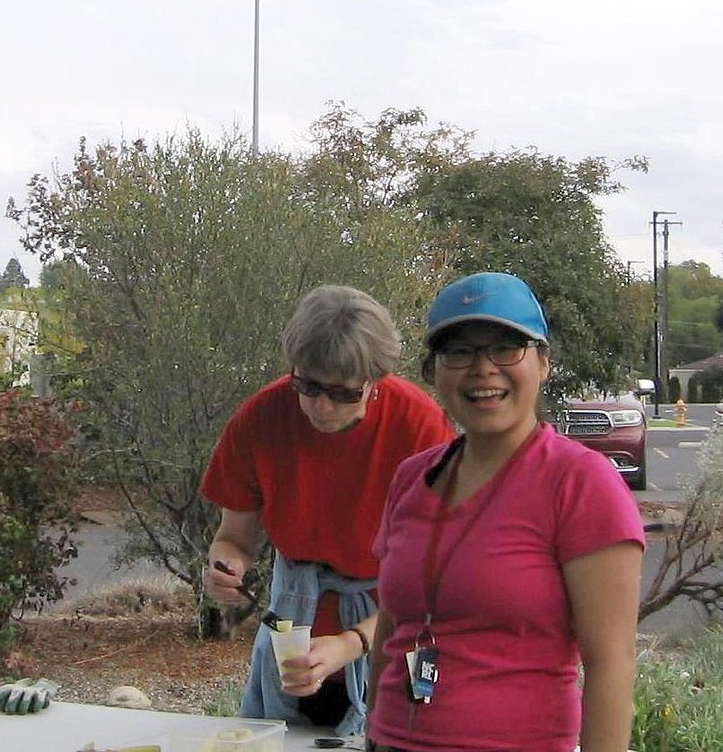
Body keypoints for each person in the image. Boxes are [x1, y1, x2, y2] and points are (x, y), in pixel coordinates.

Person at [366, 272, 645, 752]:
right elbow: (391, 627)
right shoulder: (412, 478)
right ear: (434, 370)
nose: (482, 369)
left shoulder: (581, 483)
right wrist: (372, 722)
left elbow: (611, 664)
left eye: (504, 348)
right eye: (459, 351)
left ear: (543, 362)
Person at [200, 284, 456, 736]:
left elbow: (434, 584)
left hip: (398, 633)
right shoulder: (262, 418)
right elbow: (234, 537)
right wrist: (227, 566)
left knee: (415, 738)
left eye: (341, 394)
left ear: (374, 381)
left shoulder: (420, 427)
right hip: (295, 637)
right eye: (307, 385)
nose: (319, 406)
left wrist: (352, 643)